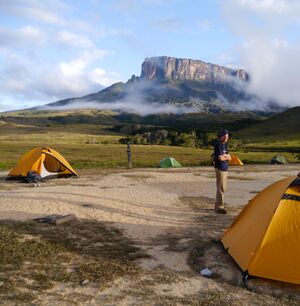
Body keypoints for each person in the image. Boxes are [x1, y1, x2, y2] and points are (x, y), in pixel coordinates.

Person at [214, 130, 231, 214]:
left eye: (227, 136)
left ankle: (220, 205)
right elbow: (220, 158)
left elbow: (230, 158)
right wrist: (225, 157)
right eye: (224, 136)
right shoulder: (218, 145)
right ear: (220, 136)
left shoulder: (225, 145)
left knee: (223, 188)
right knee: (220, 188)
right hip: (220, 168)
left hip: (225, 168)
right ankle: (219, 207)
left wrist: (226, 157)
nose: (226, 138)